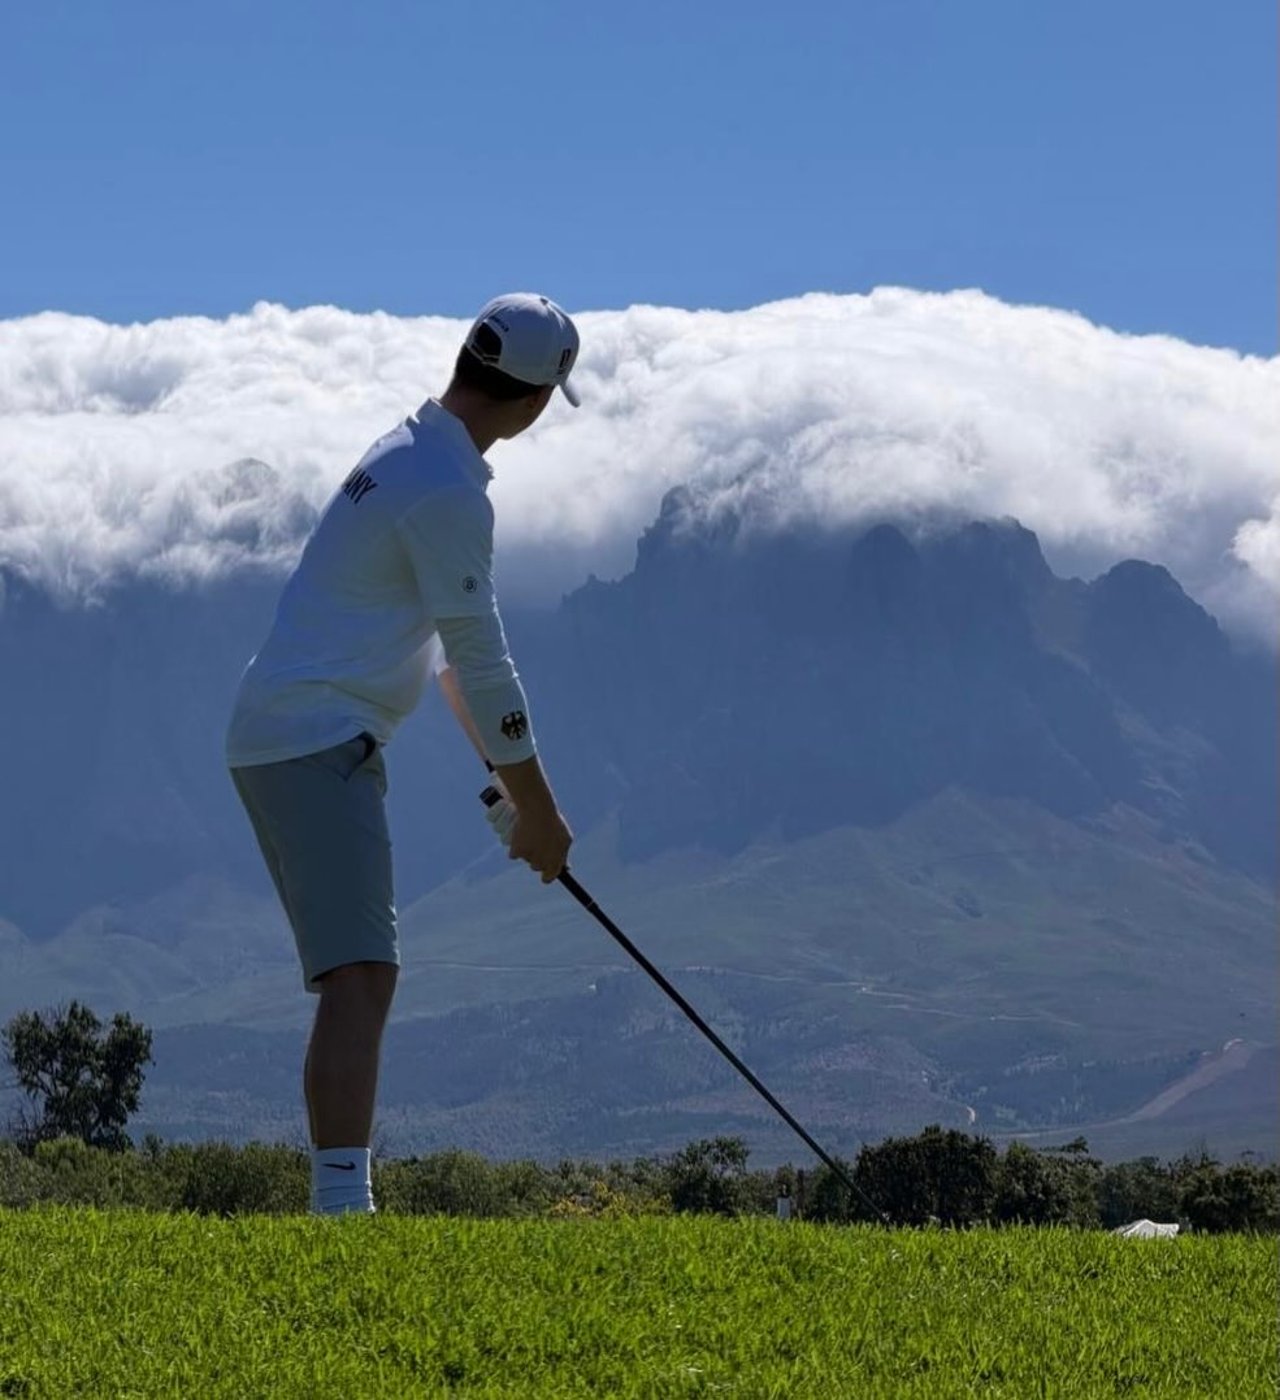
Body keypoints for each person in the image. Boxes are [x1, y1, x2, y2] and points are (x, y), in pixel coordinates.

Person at [225, 293, 579, 1215]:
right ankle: (343, 1212)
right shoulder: (451, 494)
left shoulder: (408, 449)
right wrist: (542, 813)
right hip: (313, 738)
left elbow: (448, 673)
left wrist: (517, 792)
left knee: (358, 971)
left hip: (287, 731)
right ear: (537, 404)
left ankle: (342, 1201)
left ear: (467, 362)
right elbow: (482, 661)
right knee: (362, 973)